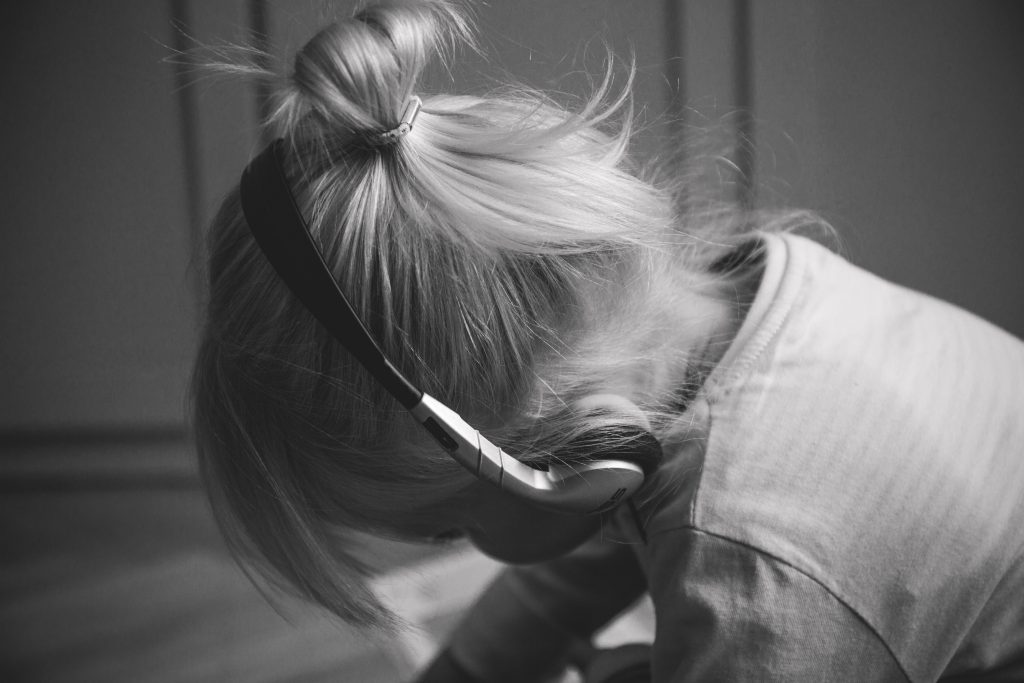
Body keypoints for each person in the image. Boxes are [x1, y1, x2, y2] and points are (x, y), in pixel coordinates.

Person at [190, 1, 1024, 680]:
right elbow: (588, 549)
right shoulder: (746, 303)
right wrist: (477, 666)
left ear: (577, 463)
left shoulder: (760, 568)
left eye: (451, 526)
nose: (472, 545)